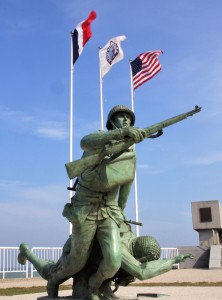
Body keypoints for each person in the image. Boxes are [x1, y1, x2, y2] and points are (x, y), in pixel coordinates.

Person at [19, 105, 147, 300]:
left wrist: (120, 211)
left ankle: (94, 286)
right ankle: (52, 278)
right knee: (76, 263)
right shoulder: (100, 140)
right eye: (121, 117)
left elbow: (127, 182)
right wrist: (122, 133)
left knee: (113, 261)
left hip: (109, 211)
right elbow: (84, 142)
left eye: (129, 119)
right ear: (112, 121)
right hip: (85, 208)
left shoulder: (130, 152)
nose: (126, 120)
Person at [18, 222, 193, 299]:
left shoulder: (129, 234)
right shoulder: (122, 250)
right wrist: (173, 261)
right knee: (52, 274)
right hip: (77, 252)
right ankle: (27, 251)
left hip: (92, 259)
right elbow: (142, 271)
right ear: (144, 257)